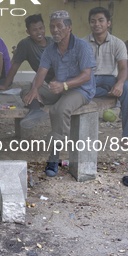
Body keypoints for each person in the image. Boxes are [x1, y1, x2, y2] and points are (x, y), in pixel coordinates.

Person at [23, 10, 96, 177]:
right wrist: (35, 89)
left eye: (59, 26)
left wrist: (64, 85)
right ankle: (35, 110)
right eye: (52, 27)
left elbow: (86, 75)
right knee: (27, 89)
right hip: (59, 86)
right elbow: (41, 73)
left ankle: (54, 156)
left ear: (69, 27)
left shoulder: (82, 46)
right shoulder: (50, 50)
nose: (55, 30)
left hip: (80, 90)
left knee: (59, 109)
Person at [83, 7, 128, 157]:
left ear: (108, 23)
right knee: (81, 92)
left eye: (101, 20)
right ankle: (109, 94)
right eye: (93, 21)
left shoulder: (118, 43)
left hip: (110, 79)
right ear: (89, 24)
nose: (97, 24)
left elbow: (123, 68)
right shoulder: (82, 43)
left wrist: (120, 83)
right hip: (89, 79)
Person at [0, 13, 55, 96]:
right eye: (34, 30)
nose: (39, 32)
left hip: (62, 80)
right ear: (28, 32)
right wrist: (5, 85)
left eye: (41, 28)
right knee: (27, 91)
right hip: (45, 82)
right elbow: (15, 65)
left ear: (44, 28)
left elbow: (65, 68)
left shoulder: (54, 43)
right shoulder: (25, 44)